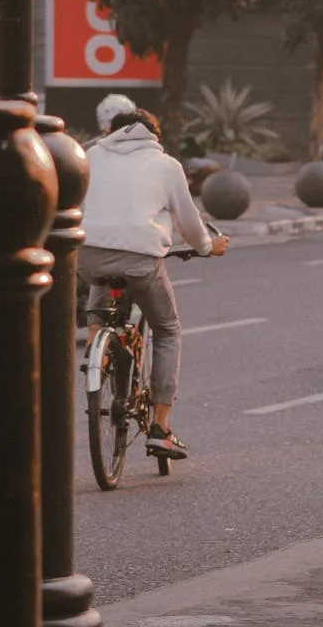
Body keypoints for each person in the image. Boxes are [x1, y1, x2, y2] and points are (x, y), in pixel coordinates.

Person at [79, 108, 231, 460]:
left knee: (101, 287)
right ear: (154, 136)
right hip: (140, 259)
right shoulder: (166, 165)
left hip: (87, 256)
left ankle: (97, 351)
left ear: (110, 133)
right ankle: (161, 428)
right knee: (166, 329)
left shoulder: (89, 157)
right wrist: (208, 247)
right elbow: (189, 221)